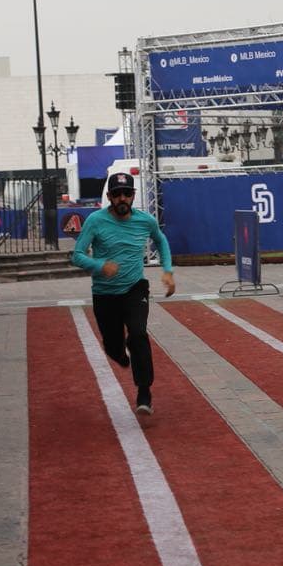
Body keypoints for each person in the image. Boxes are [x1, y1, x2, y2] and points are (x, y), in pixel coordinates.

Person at [71, 172, 176, 415]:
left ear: (133, 196)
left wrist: (168, 271)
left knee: (138, 333)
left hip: (134, 288)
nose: (122, 199)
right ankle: (120, 354)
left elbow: (160, 241)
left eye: (126, 194)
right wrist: (99, 266)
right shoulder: (95, 221)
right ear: (109, 197)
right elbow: (77, 255)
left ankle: (144, 391)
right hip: (105, 294)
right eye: (116, 194)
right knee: (112, 346)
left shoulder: (145, 221)